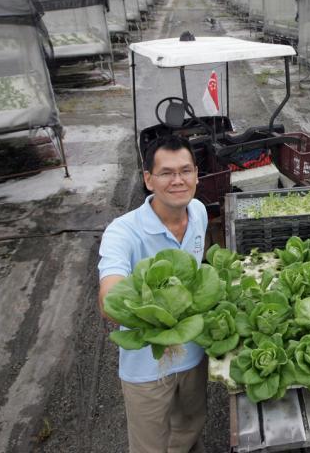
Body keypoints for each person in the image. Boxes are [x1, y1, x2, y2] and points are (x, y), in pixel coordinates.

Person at [98, 134, 208, 453]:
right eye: (166, 173)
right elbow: (110, 299)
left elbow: (201, 274)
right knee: (150, 446)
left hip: (192, 356)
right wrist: (155, 315)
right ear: (148, 180)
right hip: (146, 368)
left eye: (186, 171)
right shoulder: (123, 231)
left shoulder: (198, 212)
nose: (178, 180)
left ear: (197, 175)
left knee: (189, 428)